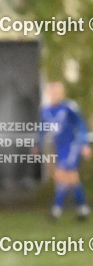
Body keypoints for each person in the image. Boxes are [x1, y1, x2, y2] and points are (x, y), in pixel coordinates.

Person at [38, 81, 90, 220]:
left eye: (56, 92)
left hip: (73, 145)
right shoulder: (45, 110)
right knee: (71, 178)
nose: (54, 95)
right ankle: (83, 209)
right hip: (60, 148)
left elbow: (81, 124)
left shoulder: (69, 106)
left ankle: (56, 210)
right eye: (51, 92)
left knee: (62, 175)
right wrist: (37, 144)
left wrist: (84, 144)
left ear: (61, 93)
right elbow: (42, 129)